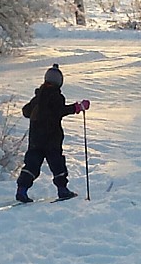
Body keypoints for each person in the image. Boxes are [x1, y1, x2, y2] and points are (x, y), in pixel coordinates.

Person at [16, 64, 90, 202]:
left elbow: (26, 111)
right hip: (52, 139)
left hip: (35, 139)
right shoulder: (56, 96)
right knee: (57, 164)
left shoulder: (38, 97)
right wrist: (77, 107)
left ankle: (22, 190)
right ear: (60, 82)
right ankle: (62, 190)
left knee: (31, 164)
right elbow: (59, 111)